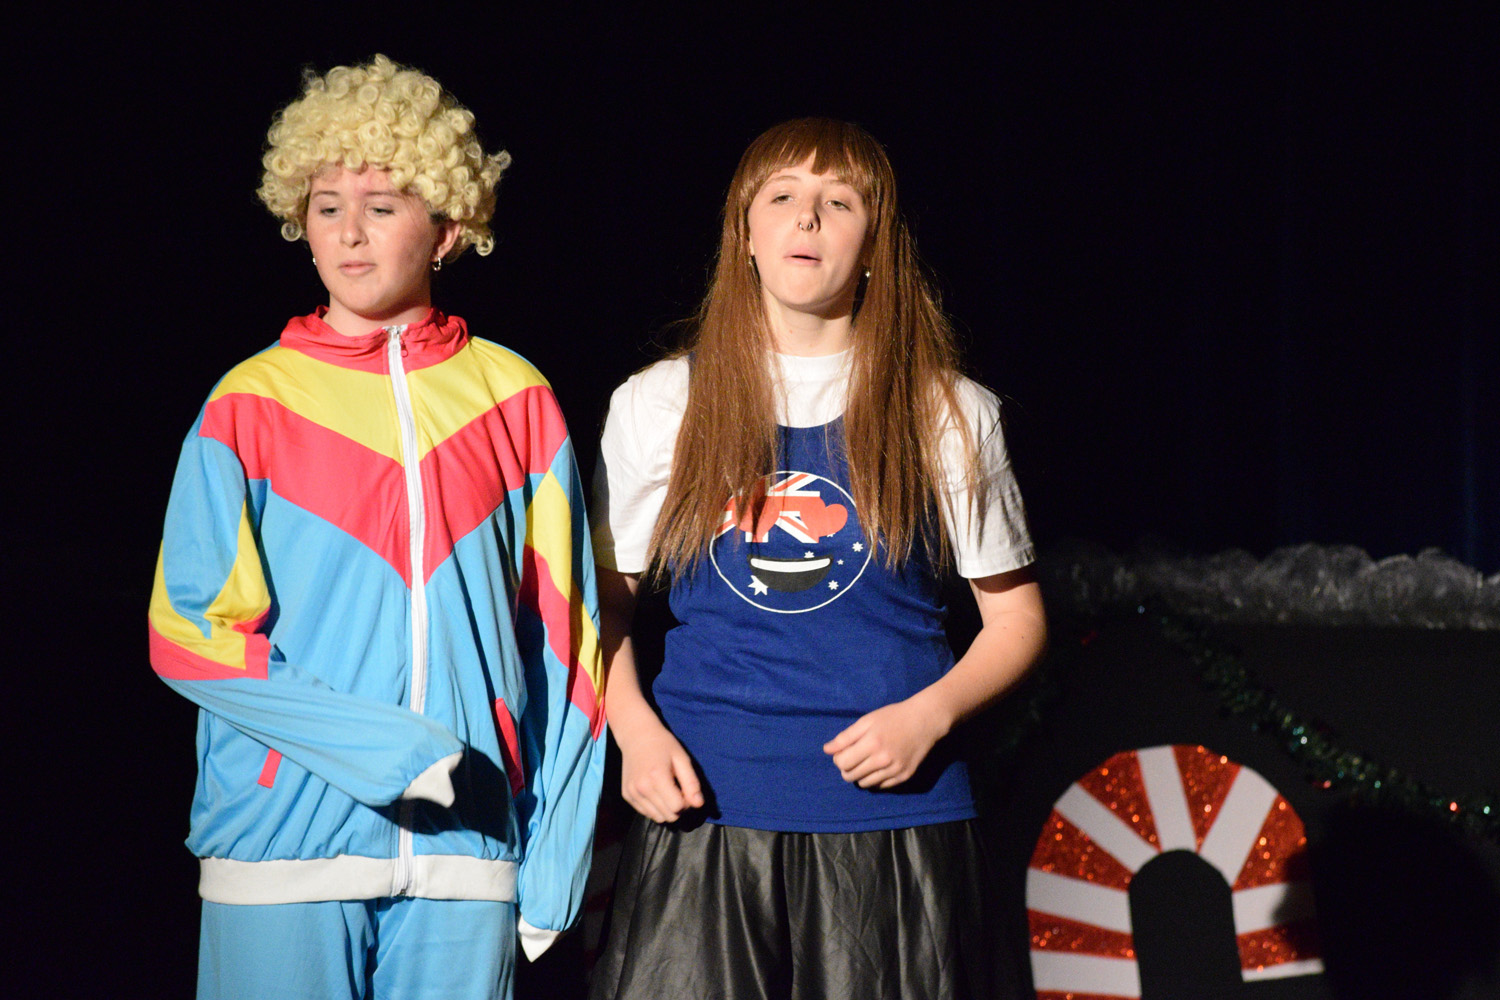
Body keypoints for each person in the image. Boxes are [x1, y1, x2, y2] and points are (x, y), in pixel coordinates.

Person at [148, 55, 604, 1000]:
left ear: (449, 228)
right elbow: (189, 634)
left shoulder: (515, 399)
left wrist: (557, 855)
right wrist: (396, 754)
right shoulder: (250, 403)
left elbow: (569, 643)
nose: (349, 233)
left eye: (383, 205)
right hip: (280, 849)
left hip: (468, 856)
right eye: (326, 206)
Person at [588, 118, 1047, 999]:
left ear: (875, 245)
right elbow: (604, 602)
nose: (807, 218)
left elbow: (1017, 620)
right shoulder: (661, 401)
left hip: (894, 821)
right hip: (708, 809)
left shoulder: (949, 411)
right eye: (783, 197)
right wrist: (634, 733)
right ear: (745, 234)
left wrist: (930, 715)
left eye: (839, 202)